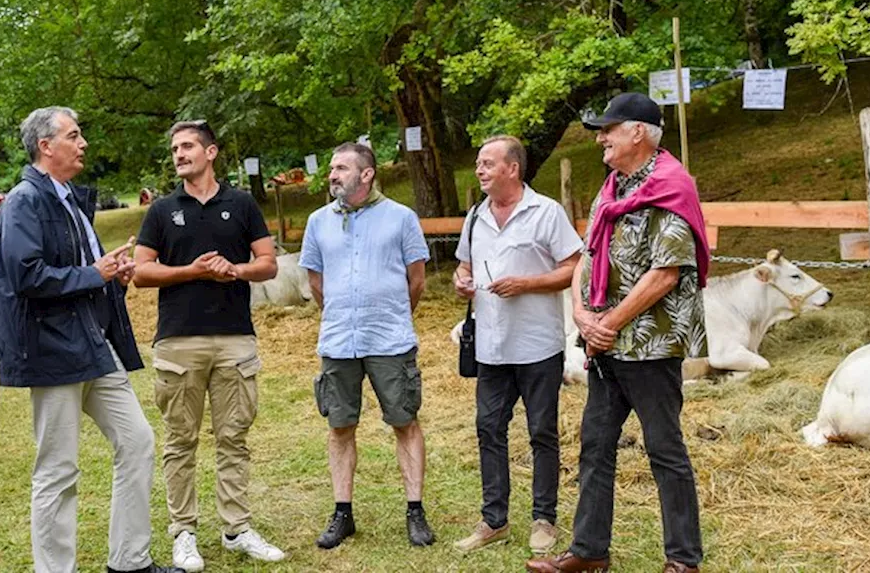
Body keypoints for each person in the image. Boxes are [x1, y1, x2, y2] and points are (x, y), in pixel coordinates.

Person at [528, 93, 709, 573]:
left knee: (664, 448)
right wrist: (581, 313)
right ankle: (589, 553)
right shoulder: (613, 187)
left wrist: (606, 323)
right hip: (605, 344)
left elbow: (665, 273)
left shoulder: (672, 186)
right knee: (595, 445)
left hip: (649, 344)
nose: (600, 138)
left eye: (608, 129)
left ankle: (683, 560)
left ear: (638, 133)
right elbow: (587, 255)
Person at [0, 107, 179, 573]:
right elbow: (23, 275)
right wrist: (90, 273)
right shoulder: (23, 201)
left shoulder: (71, 200)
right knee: (58, 469)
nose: (83, 144)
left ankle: (130, 561)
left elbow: (82, 270)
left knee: (137, 442)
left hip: (97, 345)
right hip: (53, 348)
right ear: (45, 146)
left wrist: (111, 277)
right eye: (74, 136)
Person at [134, 120, 284, 572]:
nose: (179, 154)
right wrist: (191, 271)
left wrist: (234, 270)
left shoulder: (240, 204)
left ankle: (236, 529)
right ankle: (184, 533)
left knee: (233, 439)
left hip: (235, 338)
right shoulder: (162, 210)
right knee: (180, 441)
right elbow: (141, 273)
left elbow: (268, 264)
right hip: (179, 341)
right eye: (175, 148)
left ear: (211, 152)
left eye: (187, 147)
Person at [451, 135, 583, 556]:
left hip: (538, 344)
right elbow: (464, 264)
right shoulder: (475, 216)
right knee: (489, 428)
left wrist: (527, 284)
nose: (480, 169)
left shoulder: (545, 212)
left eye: (488, 163)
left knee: (541, 431)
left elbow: (573, 268)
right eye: (478, 163)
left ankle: (544, 518)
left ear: (513, 168)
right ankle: (494, 520)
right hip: (491, 346)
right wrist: (461, 281)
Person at [299, 142, 434, 550]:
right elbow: (316, 282)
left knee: (404, 421)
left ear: (367, 174)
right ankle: (343, 512)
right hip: (339, 340)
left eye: (341, 168)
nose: (333, 175)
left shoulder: (401, 218)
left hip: (390, 339)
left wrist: (387, 313)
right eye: (332, 169)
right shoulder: (318, 221)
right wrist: (342, 314)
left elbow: (417, 281)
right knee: (340, 426)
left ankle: (415, 511)